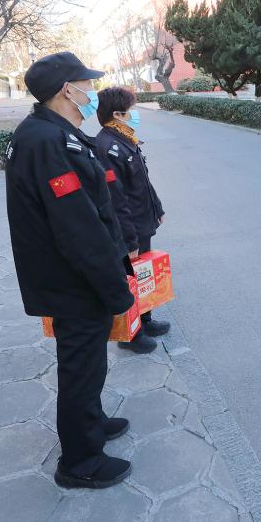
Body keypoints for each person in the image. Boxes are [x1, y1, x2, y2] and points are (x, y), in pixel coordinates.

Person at [4, 52, 136, 490]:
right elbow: (77, 226)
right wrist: (115, 287)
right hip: (72, 279)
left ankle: (91, 422)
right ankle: (80, 462)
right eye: (87, 83)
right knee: (80, 367)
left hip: (74, 275)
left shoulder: (52, 132)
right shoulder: (46, 141)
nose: (91, 90)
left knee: (90, 362)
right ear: (67, 89)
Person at [93, 86, 170, 354]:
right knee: (129, 281)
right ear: (117, 114)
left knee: (143, 276)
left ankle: (145, 320)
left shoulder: (125, 139)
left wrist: (157, 207)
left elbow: (142, 181)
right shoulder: (107, 147)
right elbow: (116, 199)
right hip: (129, 229)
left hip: (142, 221)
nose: (134, 114)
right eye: (131, 110)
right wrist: (129, 240)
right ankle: (130, 335)